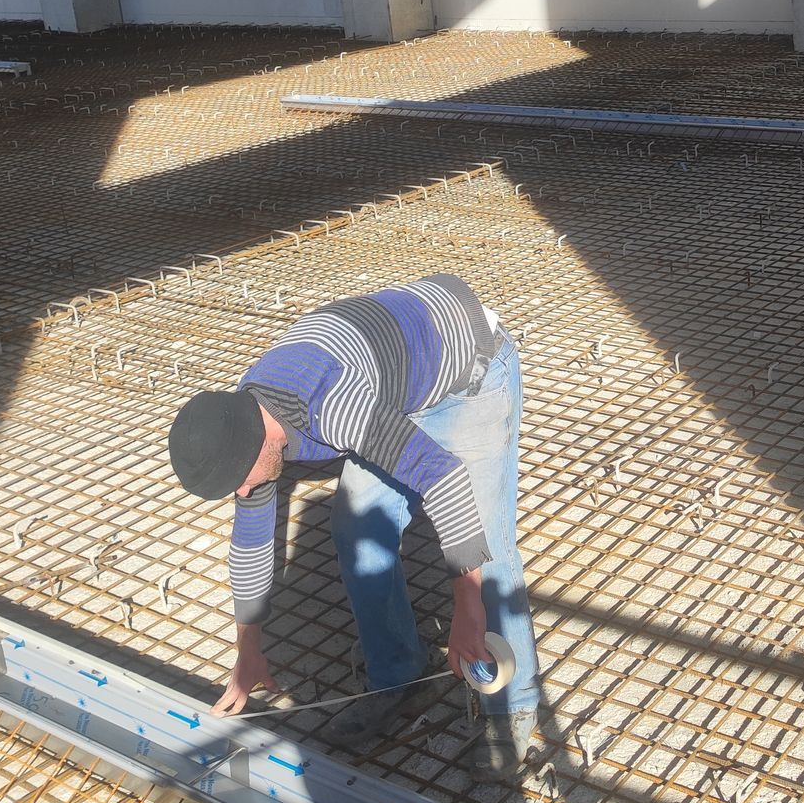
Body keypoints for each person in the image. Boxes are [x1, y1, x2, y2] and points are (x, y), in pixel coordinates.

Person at [166, 274, 540, 777]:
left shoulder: (332, 407)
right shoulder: (242, 423)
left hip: (470, 368)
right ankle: (399, 678)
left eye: (239, 482)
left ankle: (511, 705)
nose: (240, 492)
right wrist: (248, 649)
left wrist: (466, 608)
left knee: (487, 547)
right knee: (356, 531)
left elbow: (442, 476)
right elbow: (251, 542)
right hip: (395, 385)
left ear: (261, 443)